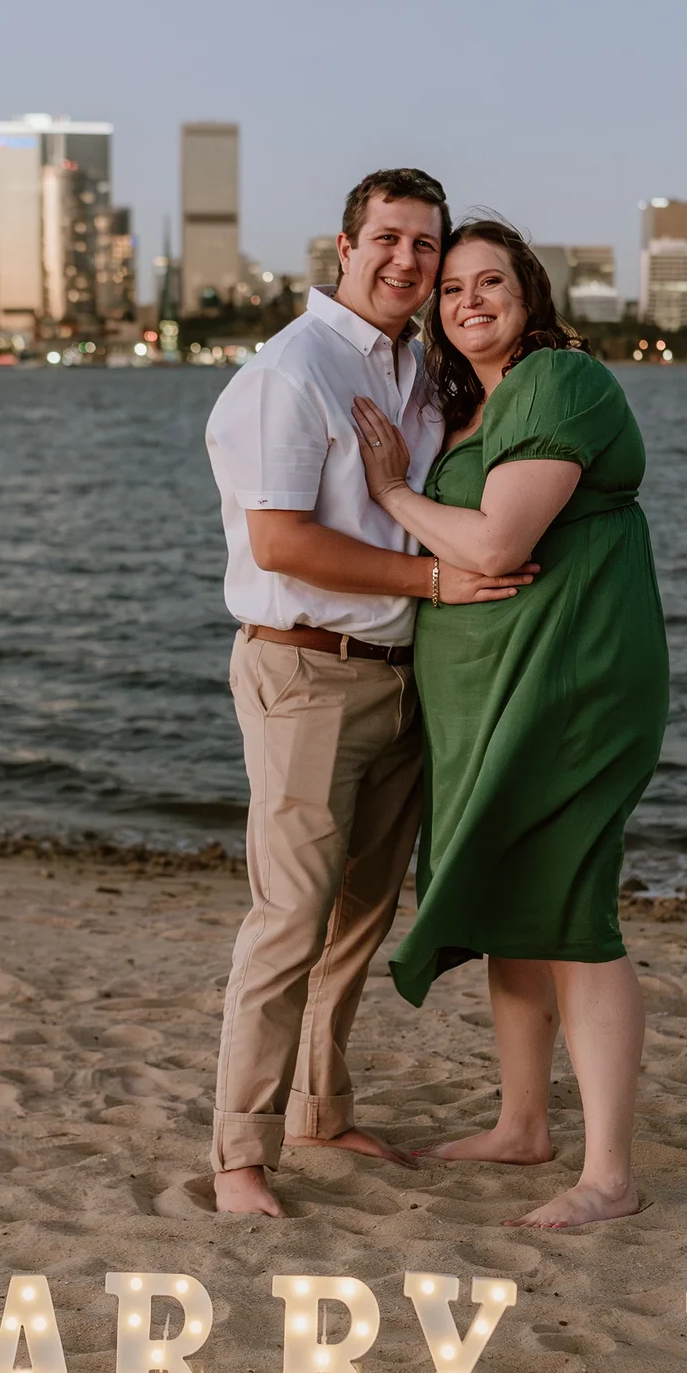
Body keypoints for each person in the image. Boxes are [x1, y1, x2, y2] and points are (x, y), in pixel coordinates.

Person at [203, 171, 539, 1219]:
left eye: (424, 244)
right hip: (304, 669)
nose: (407, 260)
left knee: (358, 918)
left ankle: (319, 1106)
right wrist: (432, 579)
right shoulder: (290, 370)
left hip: (399, 680)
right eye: (387, 239)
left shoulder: (411, 368)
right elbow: (280, 539)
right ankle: (238, 1154)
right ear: (344, 246)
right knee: (288, 917)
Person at [349, 219, 669, 1229]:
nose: (468, 299)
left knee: (570, 903)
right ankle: (522, 1122)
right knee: (514, 900)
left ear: (530, 295)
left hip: (568, 684)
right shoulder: (477, 407)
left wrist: (393, 489)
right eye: (449, 290)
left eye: (491, 281)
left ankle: (609, 1173)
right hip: (498, 689)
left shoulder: (557, 382)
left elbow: (493, 545)